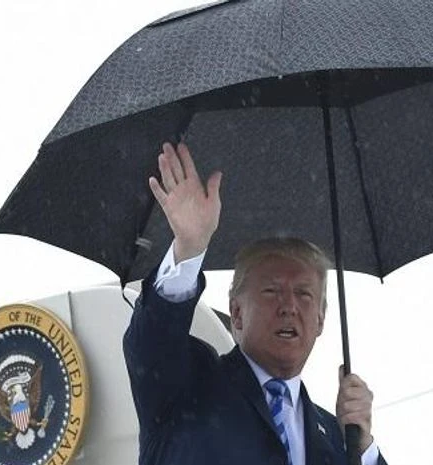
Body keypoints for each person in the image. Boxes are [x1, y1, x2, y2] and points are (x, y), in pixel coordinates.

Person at [123, 142, 387, 465]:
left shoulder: (335, 438)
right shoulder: (189, 385)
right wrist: (189, 248)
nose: (289, 306)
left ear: (320, 319)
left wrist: (363, 449)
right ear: (236, 312)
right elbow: (152, 344)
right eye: (272, 291)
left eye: (304, 294)